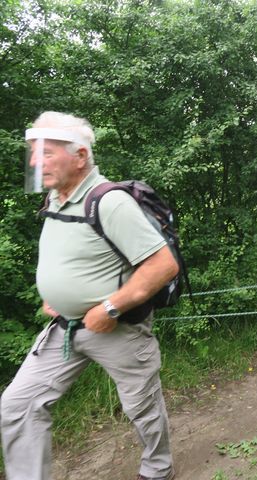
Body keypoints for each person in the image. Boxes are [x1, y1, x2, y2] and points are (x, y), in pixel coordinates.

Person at [0, 112, 178, 480]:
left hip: (117, 329)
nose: (35, 161)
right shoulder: (55, 199)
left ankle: (158, 468)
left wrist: (110, 307)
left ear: (80, 156)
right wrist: (56, 296)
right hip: (63, 329)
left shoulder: (109, 202)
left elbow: (163, 266)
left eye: (47, 153)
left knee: (141, 406)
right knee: (17, 405)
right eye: (33, 153)